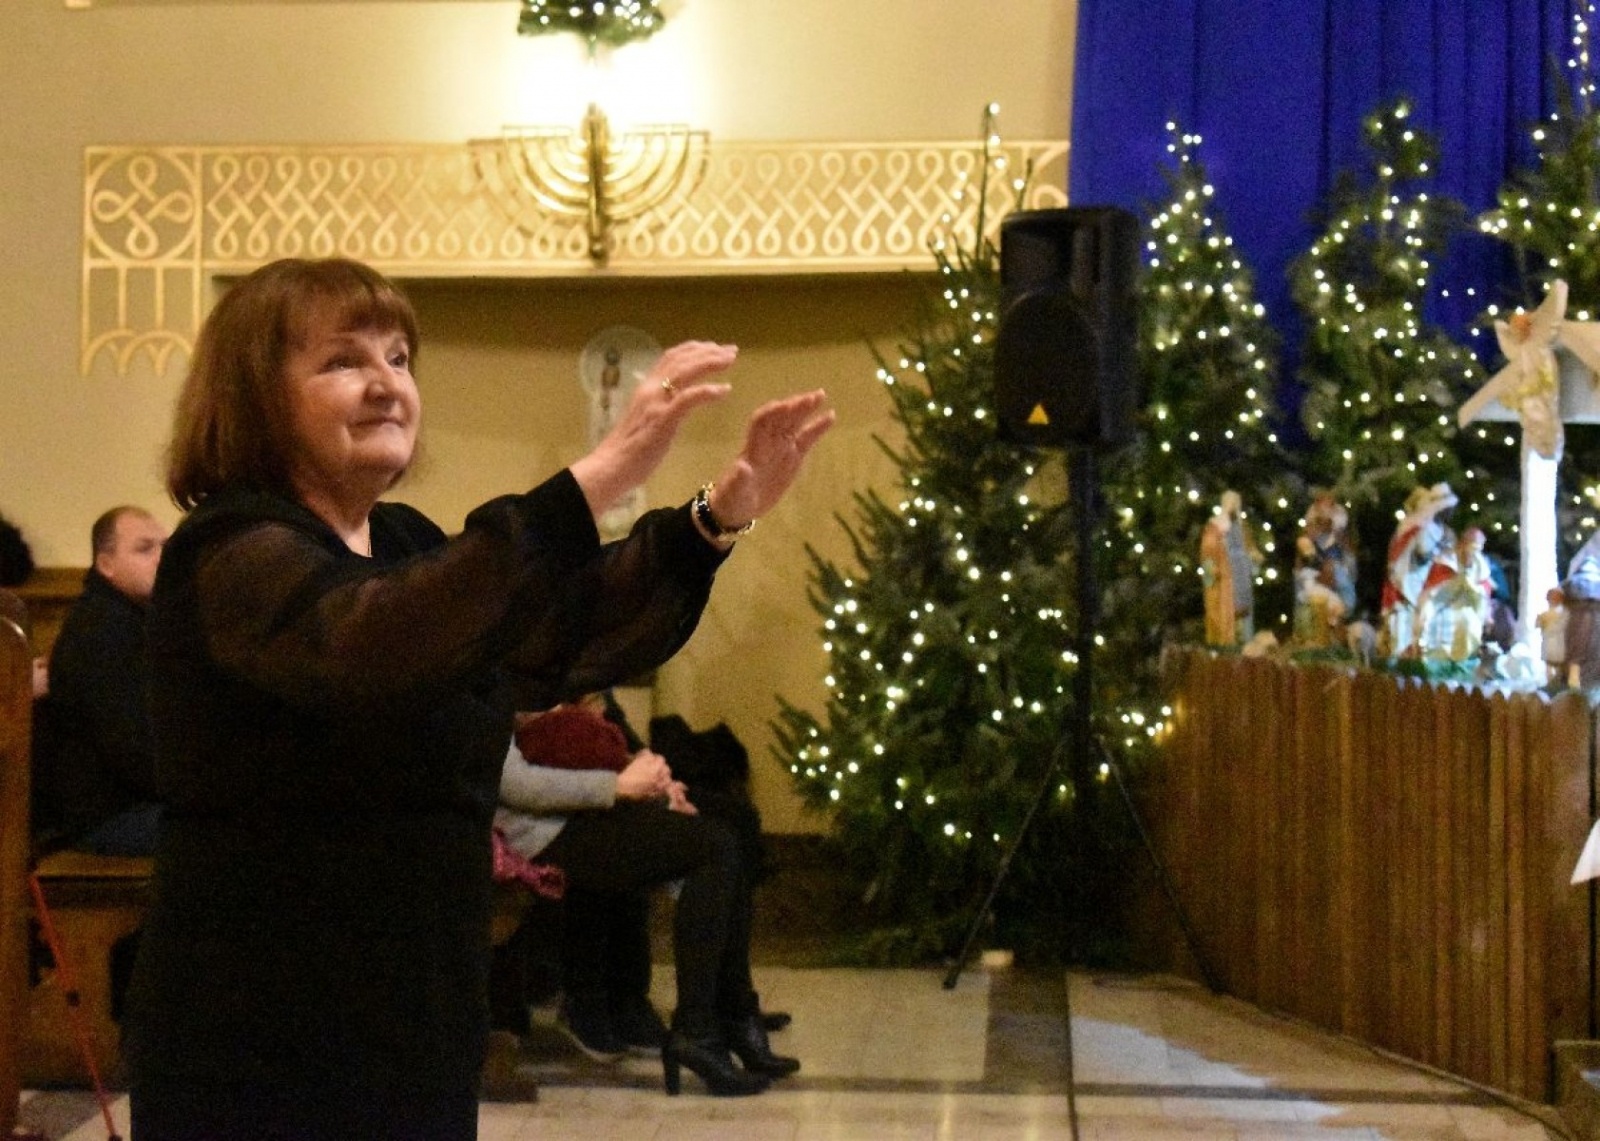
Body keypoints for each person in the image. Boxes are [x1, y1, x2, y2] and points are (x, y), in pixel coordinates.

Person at [123, 256, 834, 1140]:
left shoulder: (401, 539)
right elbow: (372, 642)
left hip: (416, 1004)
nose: (387, 383)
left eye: (398, 357)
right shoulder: (231, 550)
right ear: (255, 395)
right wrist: (598, 477)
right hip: (261, 1020)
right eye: (344, 359)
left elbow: (558, 631)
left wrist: (714, 520)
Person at [495, 699, 797, 1095]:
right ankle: (700, 1027)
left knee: (726, 835)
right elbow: (514, 784)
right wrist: (619, 786)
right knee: (714, 847)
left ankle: (732, 1014)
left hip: (573, 812)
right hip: (535, 832)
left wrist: (653, 785)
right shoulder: (482, 680)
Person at [32, 505, 168, 855]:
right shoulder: (103, 630)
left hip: (132, 802)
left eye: (164, 547)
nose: (161, 558)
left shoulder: (131, 618)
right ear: (106, 564)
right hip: (110, 814)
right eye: (144, 549)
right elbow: (133, 749)